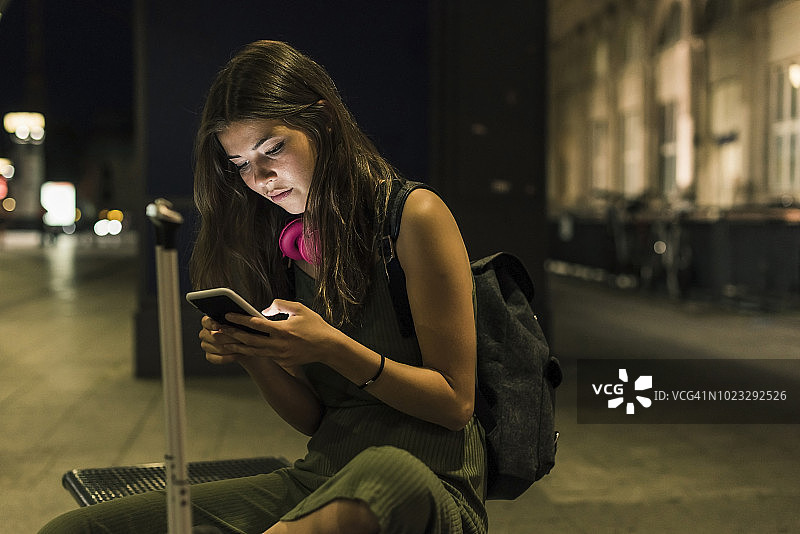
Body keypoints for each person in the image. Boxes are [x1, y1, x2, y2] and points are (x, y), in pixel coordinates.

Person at [40, 40, 486, 534]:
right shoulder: (290, 244)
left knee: (386, 470)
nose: (261, 177)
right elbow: (318, 421)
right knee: (76, 529)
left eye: (272, 150)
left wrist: (333, 347)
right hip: (320, 481)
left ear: (325, 122)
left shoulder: (414, 215)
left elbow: (455, 404)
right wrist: (252, 353)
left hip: (426, 485)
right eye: (241, 164)